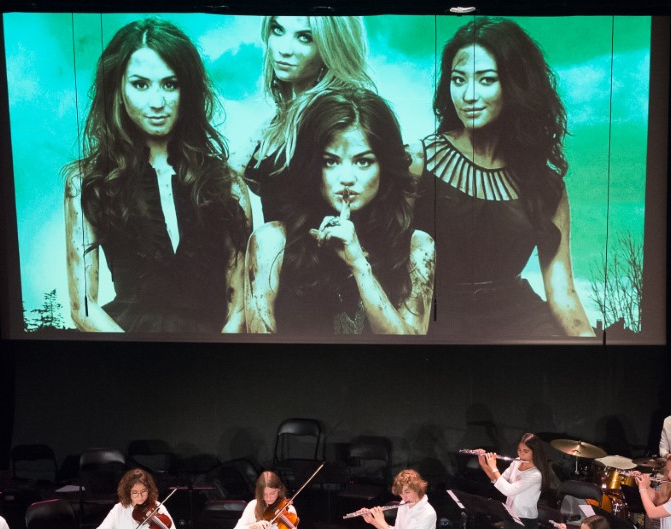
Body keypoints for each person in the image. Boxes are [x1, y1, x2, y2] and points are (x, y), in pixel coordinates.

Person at [64, 17, 251, 336]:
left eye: (170, 84)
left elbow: (241, 305)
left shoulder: (226, 182)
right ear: (118, 89)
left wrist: (215, 361)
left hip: (213, 361)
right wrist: (140, 362)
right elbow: (82, 306)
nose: (157, 102)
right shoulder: (87, 182)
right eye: (140, 84)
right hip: (128, 357)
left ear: (187, 90)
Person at [411, 16, 594, 340]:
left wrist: (593, 354)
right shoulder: (417, 161)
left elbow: (563, 293)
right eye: (458, 79)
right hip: (435, 319)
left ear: (515, 84)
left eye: (485, 80)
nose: (468, 94)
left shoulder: (546, 186)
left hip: (519, 320)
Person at [245, 89, 434, 336]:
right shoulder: (271, 241)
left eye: (363, 161)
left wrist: (359, 264)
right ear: (313, 166)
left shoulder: (417, 247)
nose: (346, 179)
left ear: (384, 165)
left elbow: (410, 352)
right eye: (330, 161)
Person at [238, 15, 376, 224]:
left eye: (304, 37)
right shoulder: (276, 122)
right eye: (278, 30)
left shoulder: (344, 119)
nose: (284, 49)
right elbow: (229, 178)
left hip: (321, 250)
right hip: (275, 251)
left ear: (332, 47)